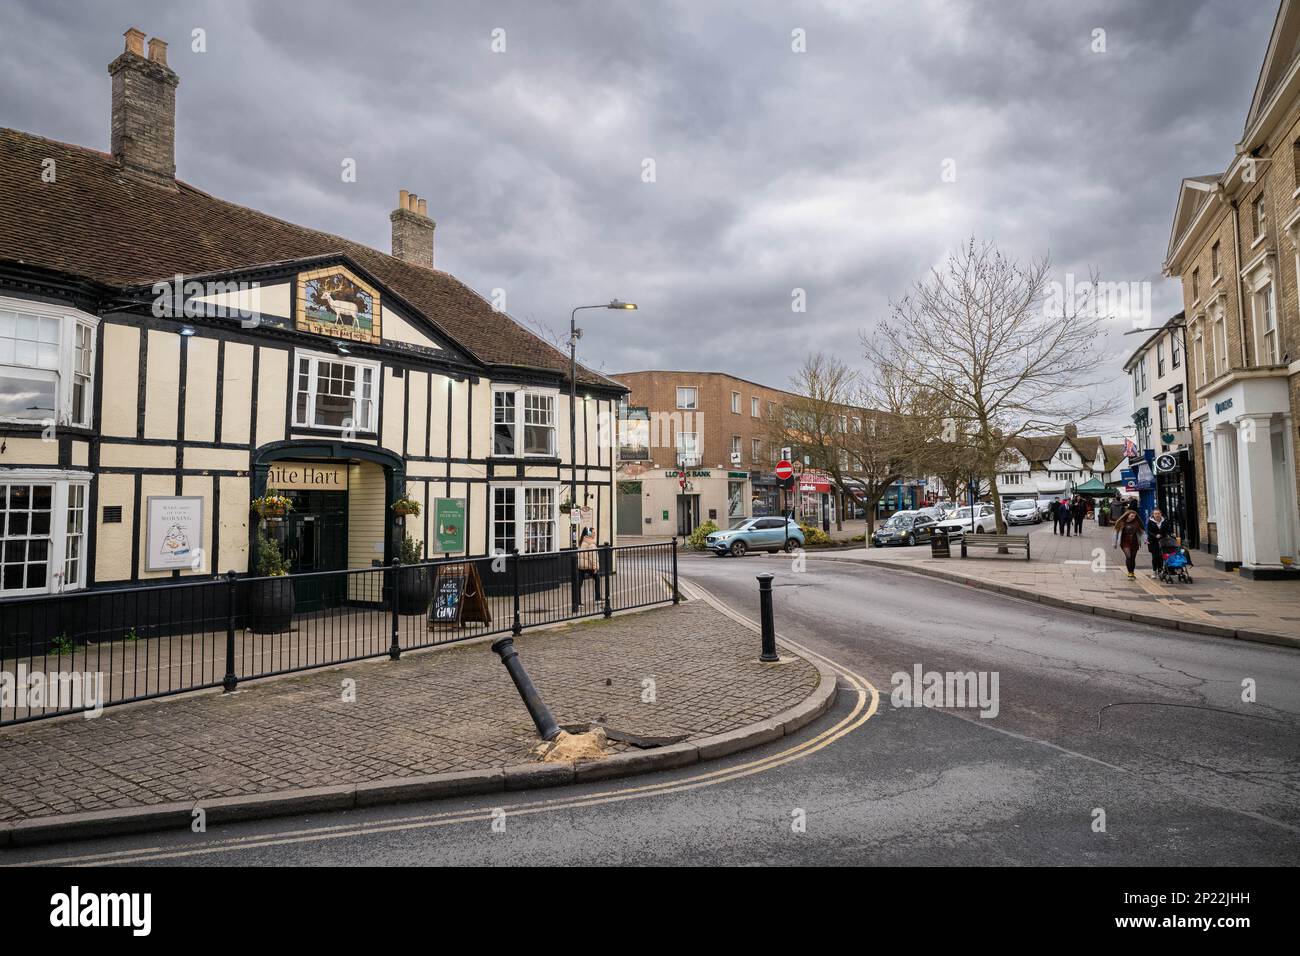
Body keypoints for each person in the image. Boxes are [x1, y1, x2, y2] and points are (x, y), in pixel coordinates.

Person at [1113, 499, 1145, 579]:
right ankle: (1129, 572)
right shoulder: (1121, 522)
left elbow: (1142, 532)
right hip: (1124, 542)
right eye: (1131, 516)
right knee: (1129, 556)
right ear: (1127, 515)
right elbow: (1116, 533)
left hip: (1134, 542)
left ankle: (1132, 572)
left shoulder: (1137, 523)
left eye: (1134, 516)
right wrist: (1114, 543)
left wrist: (1145, 540)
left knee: (1133, 558)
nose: (1133, 517)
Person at [576, 526, 601, 606]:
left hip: (581, 566)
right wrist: (594, 568)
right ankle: (597, 599)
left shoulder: (582, 541)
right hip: (588, 566)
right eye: (593, 532)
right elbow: (592, 556)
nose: (595, 534)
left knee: (579, 583)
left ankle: (578, 602)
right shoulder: (591, 543)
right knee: (597, 579)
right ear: (589, 534)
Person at [1147, 507, 1173, 578]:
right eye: (1155, 514)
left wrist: (1168, 535)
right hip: (1153, 541)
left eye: (1158, 513)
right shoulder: (1150, 521)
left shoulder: (1165, 521)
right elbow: (1149, 532)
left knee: (1161, 557)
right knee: (1155, 557)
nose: (1157, 515)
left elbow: (1168, 530)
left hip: (1163, 541)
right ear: (1153, 514)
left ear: (1161, 514)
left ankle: (1160, 571)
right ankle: (1154, 571)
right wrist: (1155, 535)